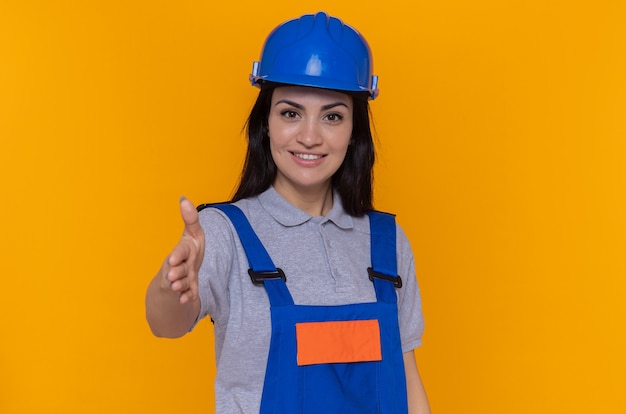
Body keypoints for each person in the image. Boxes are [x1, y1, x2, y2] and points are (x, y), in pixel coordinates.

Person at [146, 11, 430, 414]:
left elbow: (408, 380)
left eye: (332, 116)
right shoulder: (224, 233)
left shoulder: (386, 243)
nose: (310, 136)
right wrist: (171, 285)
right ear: (265, 124)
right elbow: (166, 325)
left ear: (354, 133)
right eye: (290, 113)